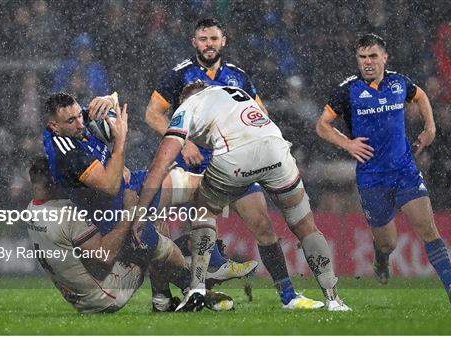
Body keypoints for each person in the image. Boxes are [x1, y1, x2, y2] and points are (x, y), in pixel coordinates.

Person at [139, 18, 323, 310]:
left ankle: (288, 295)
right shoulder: (178, 75)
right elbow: (152, 114)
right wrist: (185, 143)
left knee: (263, 225)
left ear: (223, 41)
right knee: (165, 227)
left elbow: (260, 114)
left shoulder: (239, 77)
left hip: (237, 165)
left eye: (213, 38)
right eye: (203, 39)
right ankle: (166, 296)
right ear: (193, 42)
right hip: (193, 166)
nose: (208, 44)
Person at [136, 82, 351, 312]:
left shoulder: (187, 108)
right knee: (305, 225)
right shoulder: (234, 91)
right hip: (276, 149)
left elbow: (160, 165)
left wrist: (141, 213)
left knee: (204, 208)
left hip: (235, 156)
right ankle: (332, 300)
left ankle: (196, 290)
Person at [41, 91, 239, 309]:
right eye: (72, 120)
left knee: (195, 185)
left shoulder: (75, 124)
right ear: (54, 127)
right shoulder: (67, 153)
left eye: (80, 115)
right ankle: (193, 287)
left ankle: (209, 267)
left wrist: (108, 100)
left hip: (128, 187)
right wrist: (120, 141)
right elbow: (109, 187)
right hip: (112, 213)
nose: (81, 123)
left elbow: (114, 101)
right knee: (163, 249)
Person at [315, 33, 451, 307]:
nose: (367, 62)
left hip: (404, 170)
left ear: (384, 58)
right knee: (388, 242)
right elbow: (322, 125)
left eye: (373, 56)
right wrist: (348, 144)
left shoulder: (399, 82)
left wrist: (430, 128)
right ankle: (381, 258)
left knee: (428, 228)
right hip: (372, 178)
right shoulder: (348, 90)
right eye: (362, 57)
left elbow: (421, 95)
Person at [26, 156, 233, 313]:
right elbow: (104, 257)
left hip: (82, 300)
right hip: (108, 295)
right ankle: (193, 291)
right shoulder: (67, 214)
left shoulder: (31, 210)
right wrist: (130, 211)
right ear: (54, 181)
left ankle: (173, 289)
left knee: (142, 235)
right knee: (148, 237)